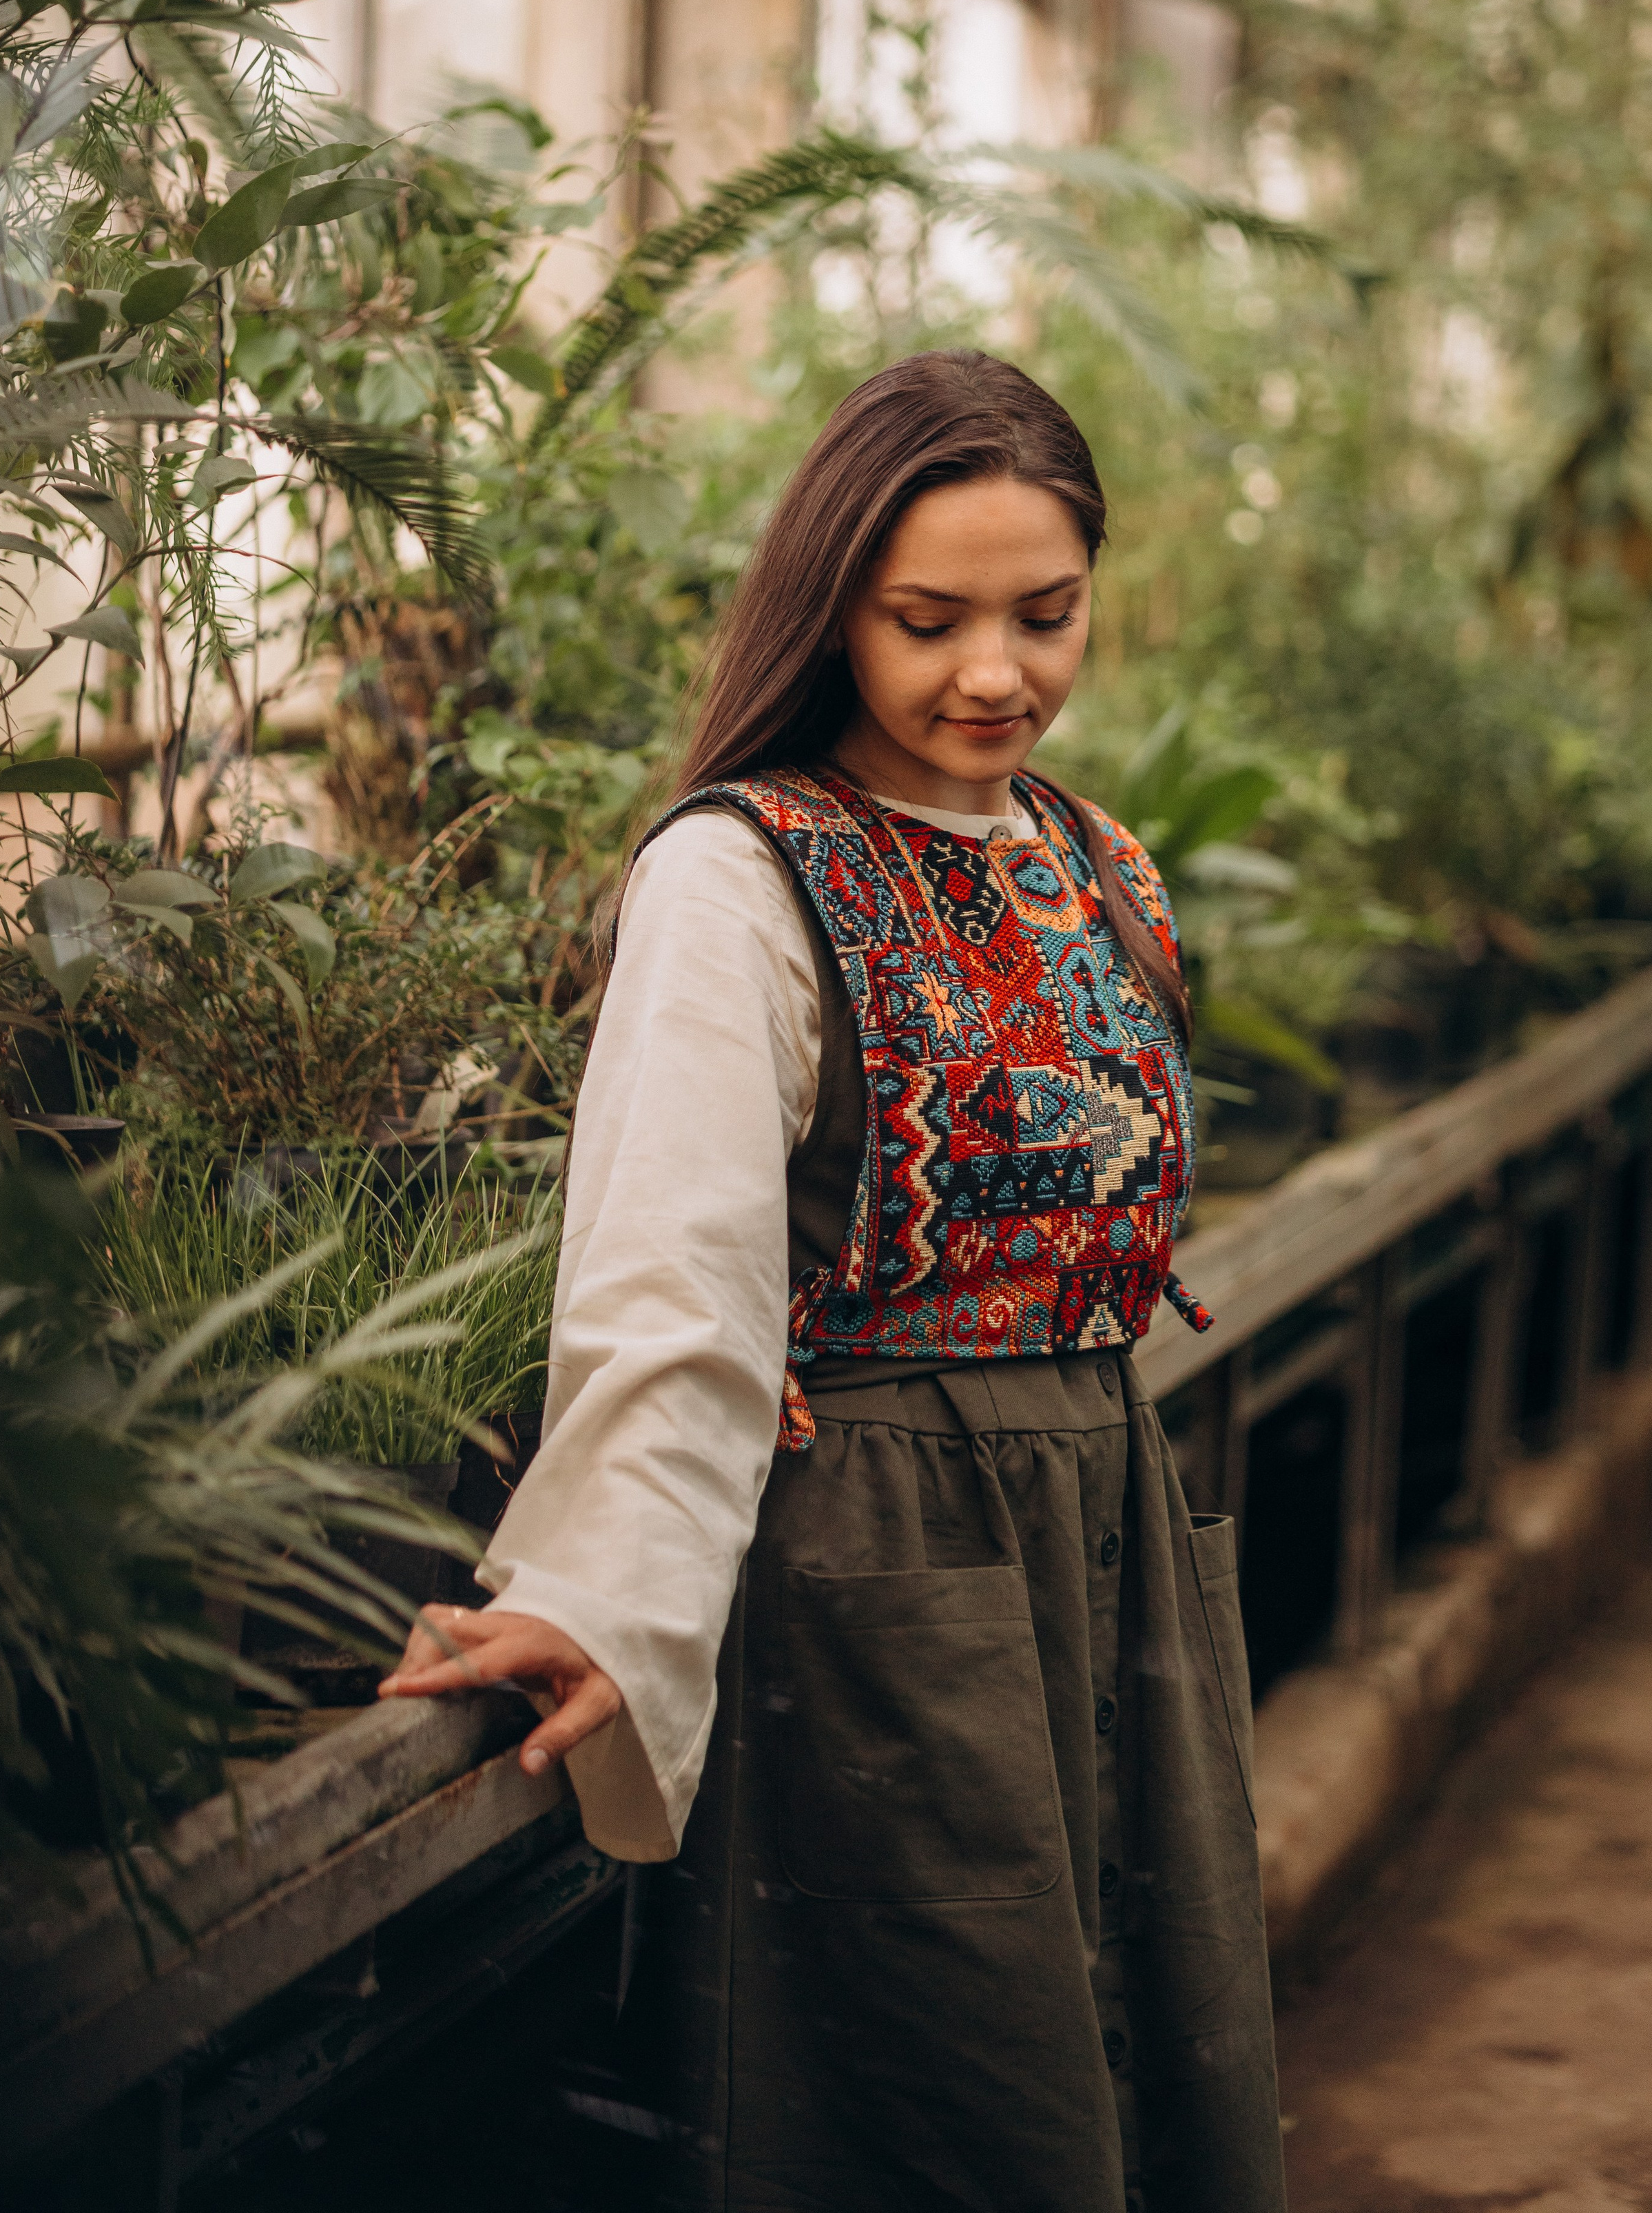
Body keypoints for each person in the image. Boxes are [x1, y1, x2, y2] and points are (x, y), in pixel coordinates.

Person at [381, 349, 1287, 2213]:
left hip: (1102, 1547)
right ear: (832, 607)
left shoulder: (1097, 861)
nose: (996, 673)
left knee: (1133, 2068)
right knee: (947, 2106)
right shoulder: (744, 878)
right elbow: (674, 1268)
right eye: (929, 621)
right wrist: (597, 1594)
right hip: (886, 1586)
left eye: (1046, 615)